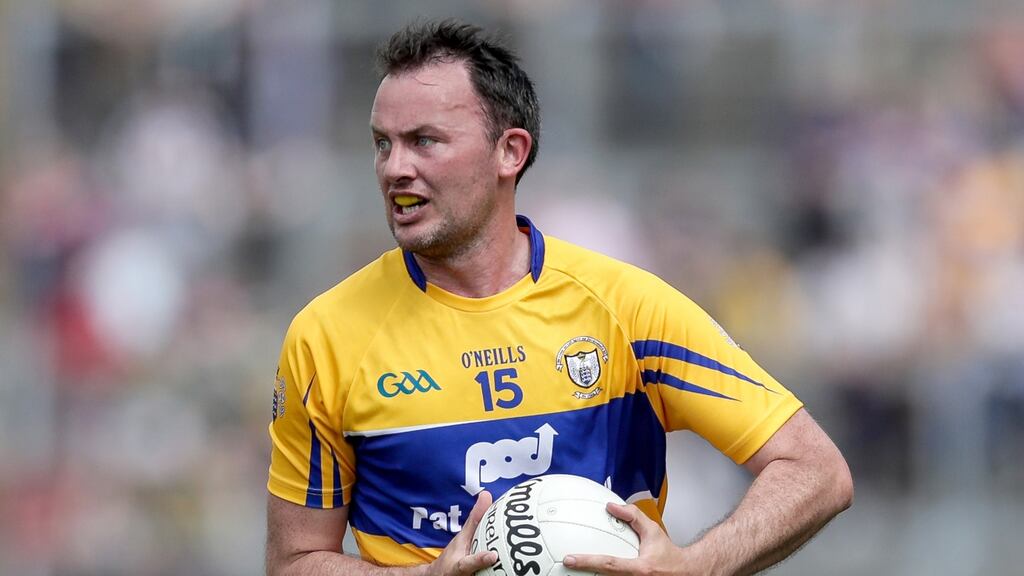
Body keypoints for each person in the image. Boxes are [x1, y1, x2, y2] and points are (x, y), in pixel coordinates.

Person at [265, 19, 853, 576]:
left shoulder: (626, 308)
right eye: (382, 144)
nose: (395, 168)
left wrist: (700, 565)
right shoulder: (327, 336)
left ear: (510, 152)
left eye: (425, 141)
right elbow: (295, 560)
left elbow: (816, 470)